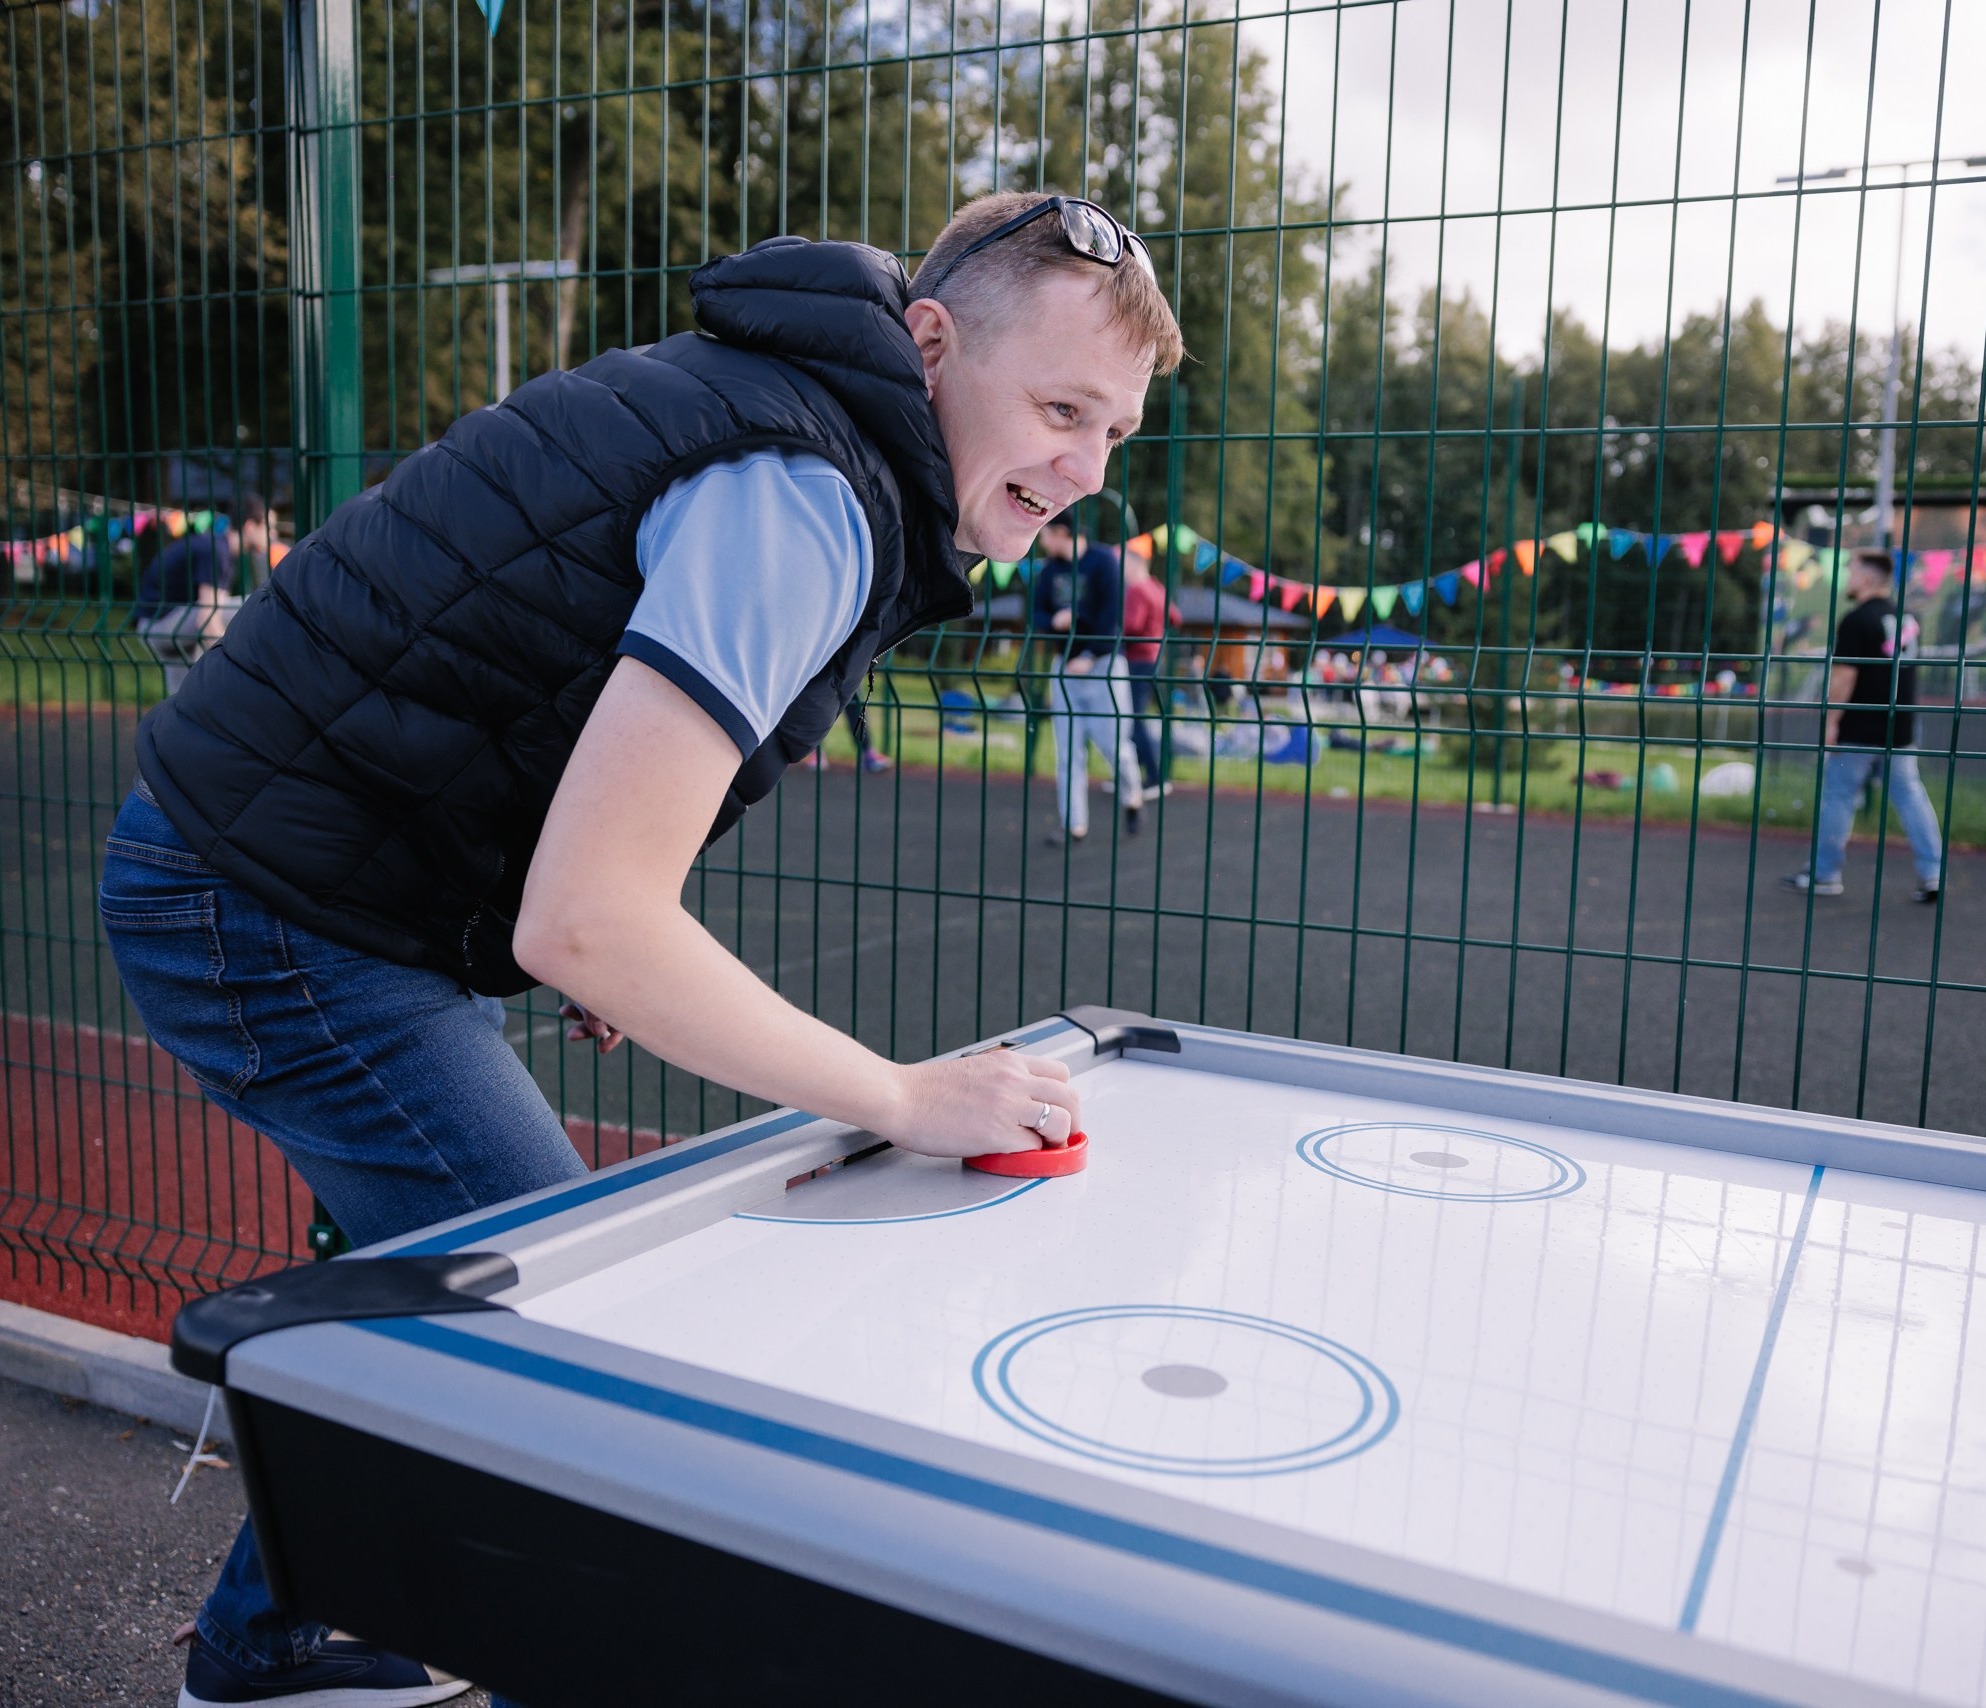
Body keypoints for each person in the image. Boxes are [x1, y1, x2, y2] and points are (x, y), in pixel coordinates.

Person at [104, 192, 1181, 1708]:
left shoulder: (789, 414)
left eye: (1117, 432)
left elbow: (517, 694)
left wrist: (541, 934)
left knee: (476, 1271)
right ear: (929, 344)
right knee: (546, 1295)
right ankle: (294, 1649)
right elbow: (595, 916)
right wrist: (901, 1095)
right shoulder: (810, 494)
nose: (1086, 466)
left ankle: (289, 1630)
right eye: (1062, 407)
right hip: (258, 896)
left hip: (295, 863)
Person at [1783, 547, 1944, 903]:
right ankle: (1933, 873)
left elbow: (1844, 677)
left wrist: (1831, 722)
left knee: (1838, 796)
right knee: (1911, 797)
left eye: (1853, 571)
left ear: (1869, 578)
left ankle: (1824, 874)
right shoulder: (1908, 618)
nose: (1849, 579)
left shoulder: (1856, 620)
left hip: (1859, 727)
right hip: (1900, 727)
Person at [1031, 513, 1144, 842]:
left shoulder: (1104, 562)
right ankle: (1073, 824)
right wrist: (1055, 620)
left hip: (1102, 667)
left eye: (1045, 533)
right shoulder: (1050, 570)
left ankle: (1132, 797)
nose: (1041, 540)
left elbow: (1112, 615)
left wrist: (1090, 653)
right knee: (1068, 753)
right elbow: (1037, 612)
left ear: (1062, 532)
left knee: (1115, 747)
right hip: (1064, 669)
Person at [133, 496, 270, 695]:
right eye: (269, 526)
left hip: (165, 624)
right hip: (159, 626)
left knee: (186, 703)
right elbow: (207, 620)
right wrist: (237, 665)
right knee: (259, 602)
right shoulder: (217, 552)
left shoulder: (218, 548)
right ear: (250, 526)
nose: (272, 534)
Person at [1122, 543, 1170, 796]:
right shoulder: (1157, 588)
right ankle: (1146, 776)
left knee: (1132, 719)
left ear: (1135, 565)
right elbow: (1176, 616)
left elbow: (1131, 624)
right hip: (1154, 658)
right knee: (1136, 718)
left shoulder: (1138, 590)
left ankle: (1153, 777)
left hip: (1137, 659)